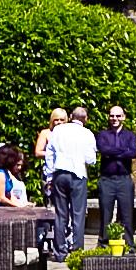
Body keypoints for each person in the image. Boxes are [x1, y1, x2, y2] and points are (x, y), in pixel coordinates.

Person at [42, 106, 95, 253]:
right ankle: (77, 250)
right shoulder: (87, 134)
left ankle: (60, 251)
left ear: (71, 116)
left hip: (60, 173)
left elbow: (49, 154)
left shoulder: (58, 130)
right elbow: (91, 159)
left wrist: (50, 176)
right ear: (86, 119)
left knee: (61, 214)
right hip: (78, 175)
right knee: (78, 214)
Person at [93, 104, 136, 246]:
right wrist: (121, 151)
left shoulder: (130, 135)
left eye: (118, 115)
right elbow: (103, 150)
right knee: (106, 213)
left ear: (123, 117)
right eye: (112, 115)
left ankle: (129, 244)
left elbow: (133, 153)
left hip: (124, 179)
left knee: (127, 214)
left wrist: (113, 152)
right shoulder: (102, 135)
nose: (115, 118)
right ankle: (103, 243)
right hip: (107, 180)